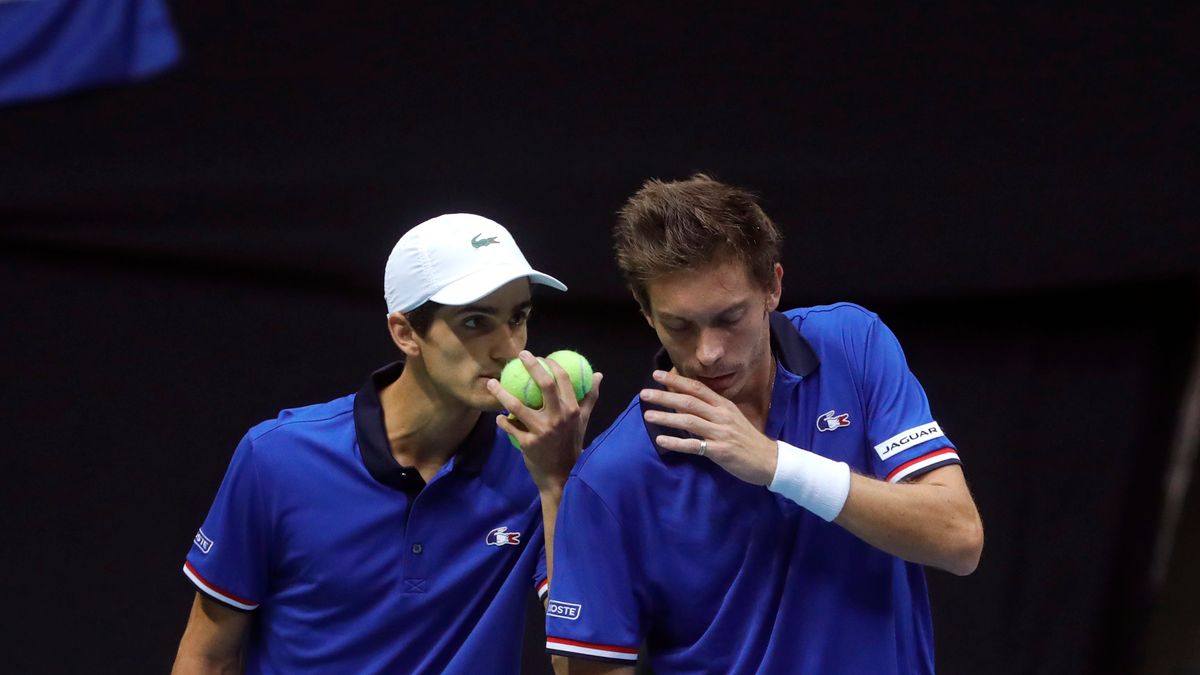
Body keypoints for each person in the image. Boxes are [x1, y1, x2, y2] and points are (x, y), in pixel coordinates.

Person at [545, 175, 983, 674]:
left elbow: (958, 539)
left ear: (773, 286)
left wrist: (776, 464)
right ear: (646, 314)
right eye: (681, 326)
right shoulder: (612, 475)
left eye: (730, 317)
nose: (708, 353)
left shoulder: (854, 346)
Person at [172, 213, 602, 674]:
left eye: (518, 317)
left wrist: (559, 483)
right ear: (405, 333)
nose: (510, 348)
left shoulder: (537, 467)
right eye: (476, 321)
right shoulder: (276, 458)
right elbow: (207, 656)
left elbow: (578, 664)